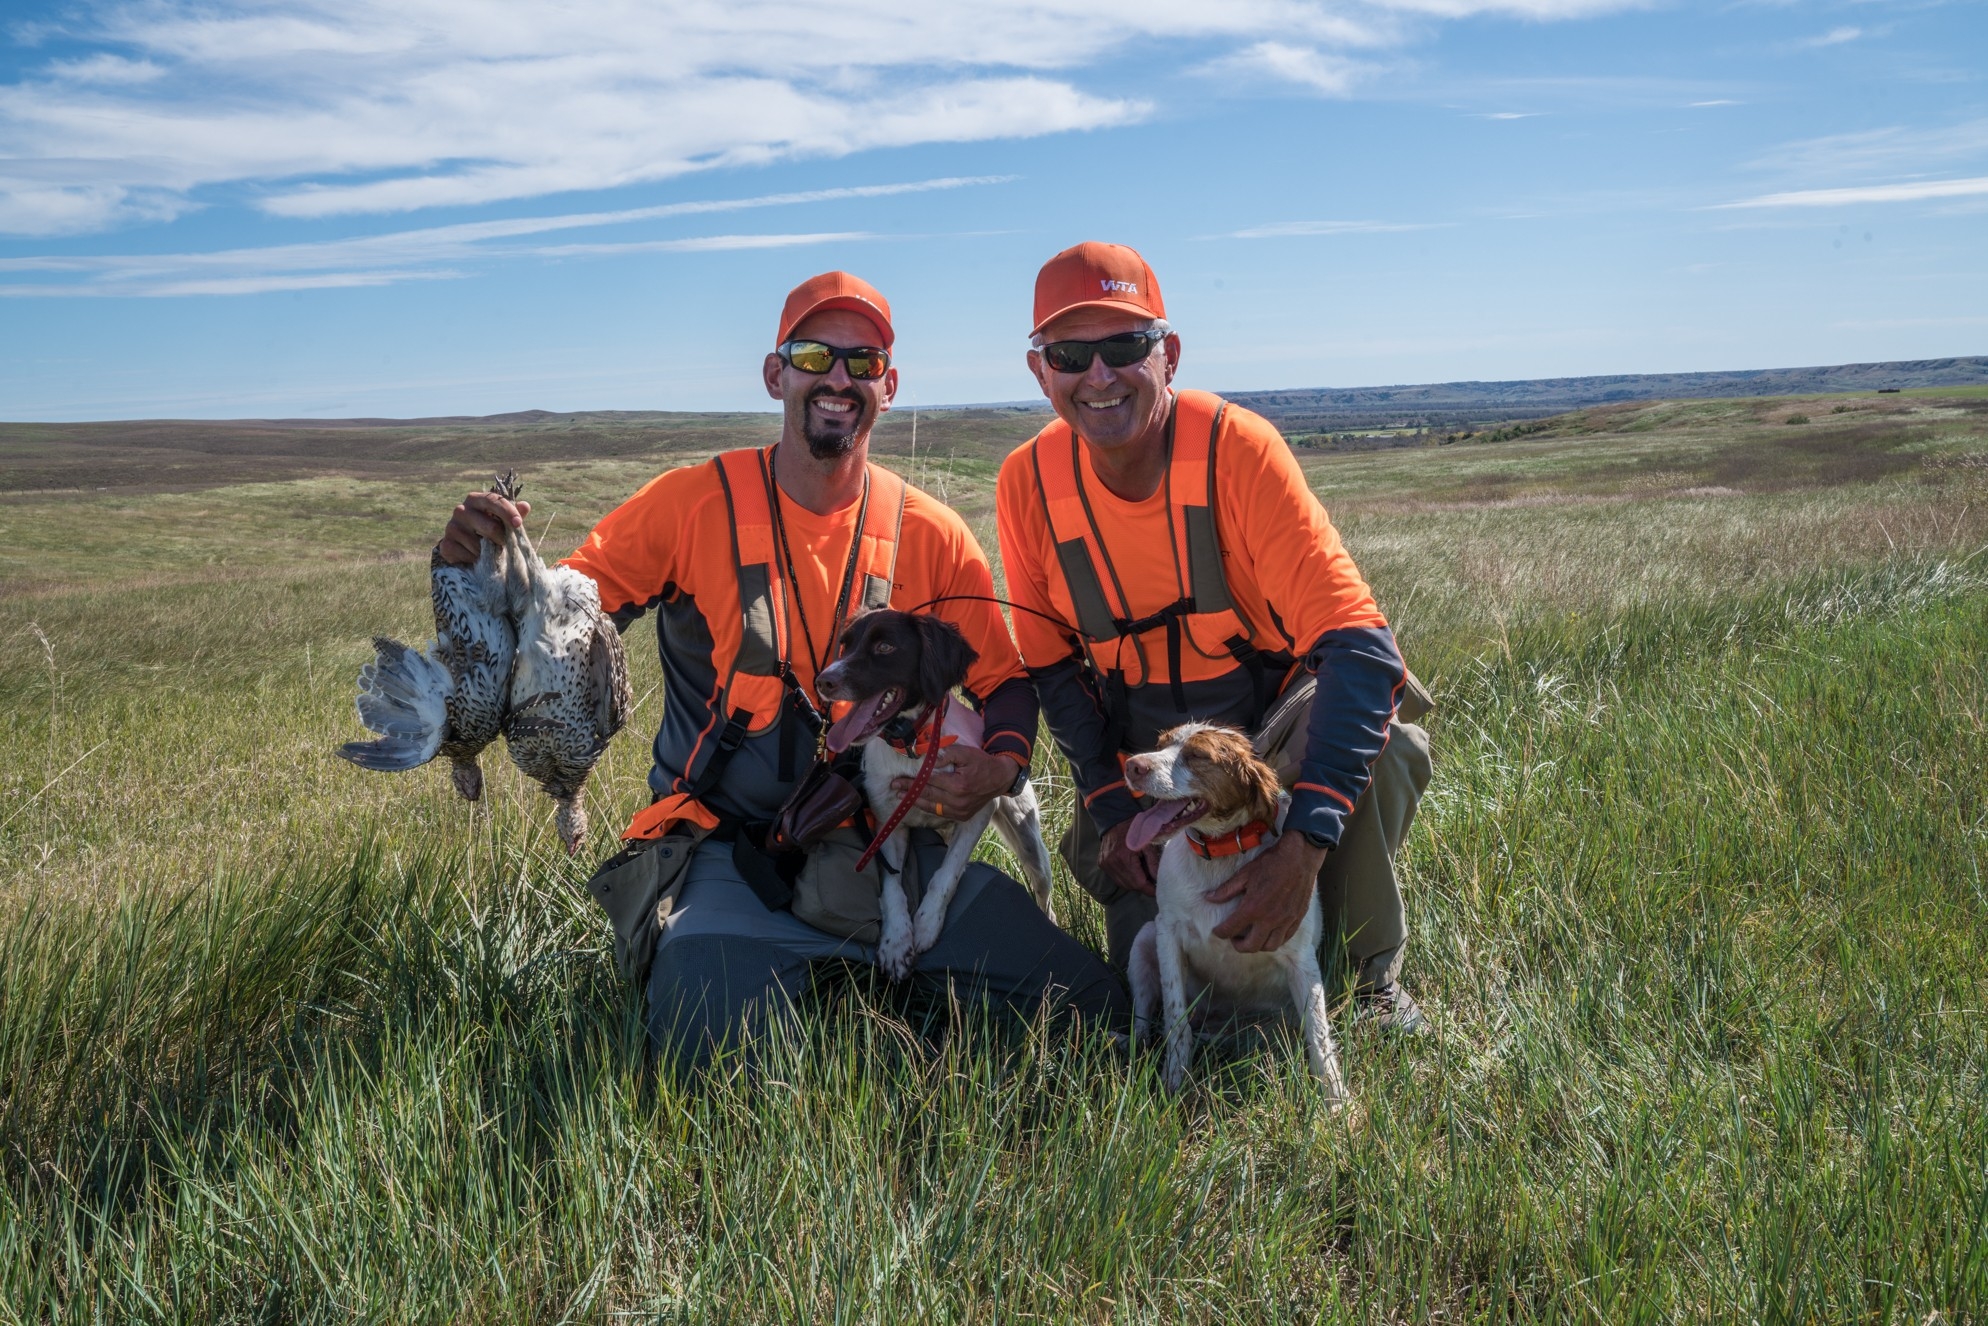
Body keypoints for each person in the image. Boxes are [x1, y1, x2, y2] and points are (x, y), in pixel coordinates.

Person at [441, 271, 1126, 1072]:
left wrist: (1000, 766)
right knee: (715, 1055)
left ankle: (892, 984)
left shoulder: (931, 533)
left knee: (1087, 1008)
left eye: (864, 363)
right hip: (729, 853)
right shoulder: (693, 504)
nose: (839, 378)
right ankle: (792, 980)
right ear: (777, 375)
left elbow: (1007, 684)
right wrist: (479, 573)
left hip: (888, 840)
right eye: (814, 354)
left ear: (889, 387)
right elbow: (562, 613)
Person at [995, 242, 1433, 1031]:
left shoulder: (1238, 450)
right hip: (1148, 767)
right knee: (1180, 1013)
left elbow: (1364, 655)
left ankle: (1368, 983)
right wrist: (1111, 807)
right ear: (1041, 373)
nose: (1099, 375)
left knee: (1392, 746)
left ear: (1168, 355)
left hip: (1267, 742)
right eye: (1070, 352)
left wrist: (1300, 851)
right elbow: (1054, 674)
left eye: (1126, 346)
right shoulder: (1026, 484)